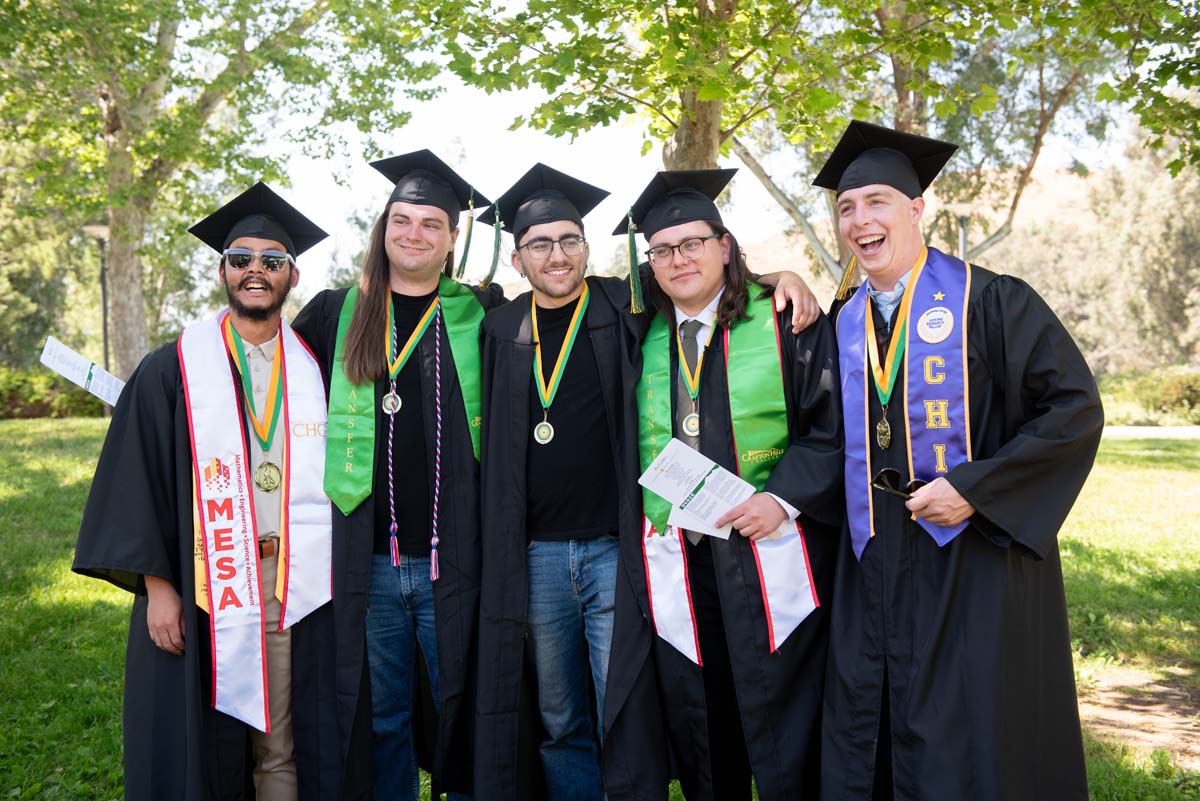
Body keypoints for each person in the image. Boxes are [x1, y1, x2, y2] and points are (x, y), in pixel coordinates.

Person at [814, 120, 1104, 801]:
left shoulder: (993, 300)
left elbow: (1073, 411)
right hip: (874, 565)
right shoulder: (840, 321)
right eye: (847, 208)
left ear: (918, 209)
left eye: (877, 201)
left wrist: (974, 489)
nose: (860, 220)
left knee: (971, 737)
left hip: (972, 564)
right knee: (875, 730)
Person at [74, 183, 365, 800]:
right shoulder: (172, 369)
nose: (256, 271)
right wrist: (158, 588)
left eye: (272, 261)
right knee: (208, 743)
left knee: (284, 741)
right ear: (223, 270)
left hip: (296, 585)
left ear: (291, 275)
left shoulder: (319, 368)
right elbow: (137, 481)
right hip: (205, 584)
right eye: (241, 259)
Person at [606, 169, 845, 801]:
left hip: (772, 552)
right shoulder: (637, 334)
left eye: (693, 243)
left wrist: (780, 498)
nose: (679, 259)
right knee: (706, 717)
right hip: (679, 560)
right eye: (663, 249)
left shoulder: (785, 321)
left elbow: (830, 429)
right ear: (649, 262)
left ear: (725, 246)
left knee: (785, 711)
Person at [291, 150, 500, 801]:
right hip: (369, 562)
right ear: (384, 229)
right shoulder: (334, 314)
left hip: (453, 561)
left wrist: (771, 274)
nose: (413, 233)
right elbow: (264, 363)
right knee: (381, 717)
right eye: (401, 220)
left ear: (452, 237)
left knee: (461, 708)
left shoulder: (486, 316)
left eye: (430, 223)